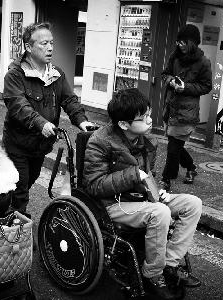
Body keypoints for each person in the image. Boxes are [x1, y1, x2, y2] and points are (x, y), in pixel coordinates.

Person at [83, 88, 202, 300]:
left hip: (142, 199)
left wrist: (158, 190)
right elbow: (94, 185)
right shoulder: (99, 141)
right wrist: (133, 175)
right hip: (112, 205)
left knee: (192, 203)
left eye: (148, 113)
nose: (149, 120)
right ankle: (152, 275)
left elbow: (149, 177)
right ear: (123, 124)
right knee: (160, 213)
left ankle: (169, 265)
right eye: (143, 117)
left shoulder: (148, 142)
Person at [2, 22, 93, 214]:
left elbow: (69, 100)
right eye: (44, 43)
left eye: (51, 43)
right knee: (20, 189)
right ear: (29, 47)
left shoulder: (56, 73)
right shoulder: (14, 75)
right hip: (18, 144)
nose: (50, 47)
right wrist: (40, 123)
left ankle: (5, 210)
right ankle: (16, 229)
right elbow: (19, 106)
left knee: (29, 180)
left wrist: (82, 120)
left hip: (41, 145)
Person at [159, 24, 212, 189]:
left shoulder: (203, 62)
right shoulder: (174, 57)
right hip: (171, 108)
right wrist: (172, 82)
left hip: (187, 112)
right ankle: (191, 167)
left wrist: (186, 88)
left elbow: (206, 86)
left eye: (183, 42)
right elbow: (164, 74)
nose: (179, 44)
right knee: (176, 145)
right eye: (178, 41)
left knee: (173, 148)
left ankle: (166, 180)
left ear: (193, 43)